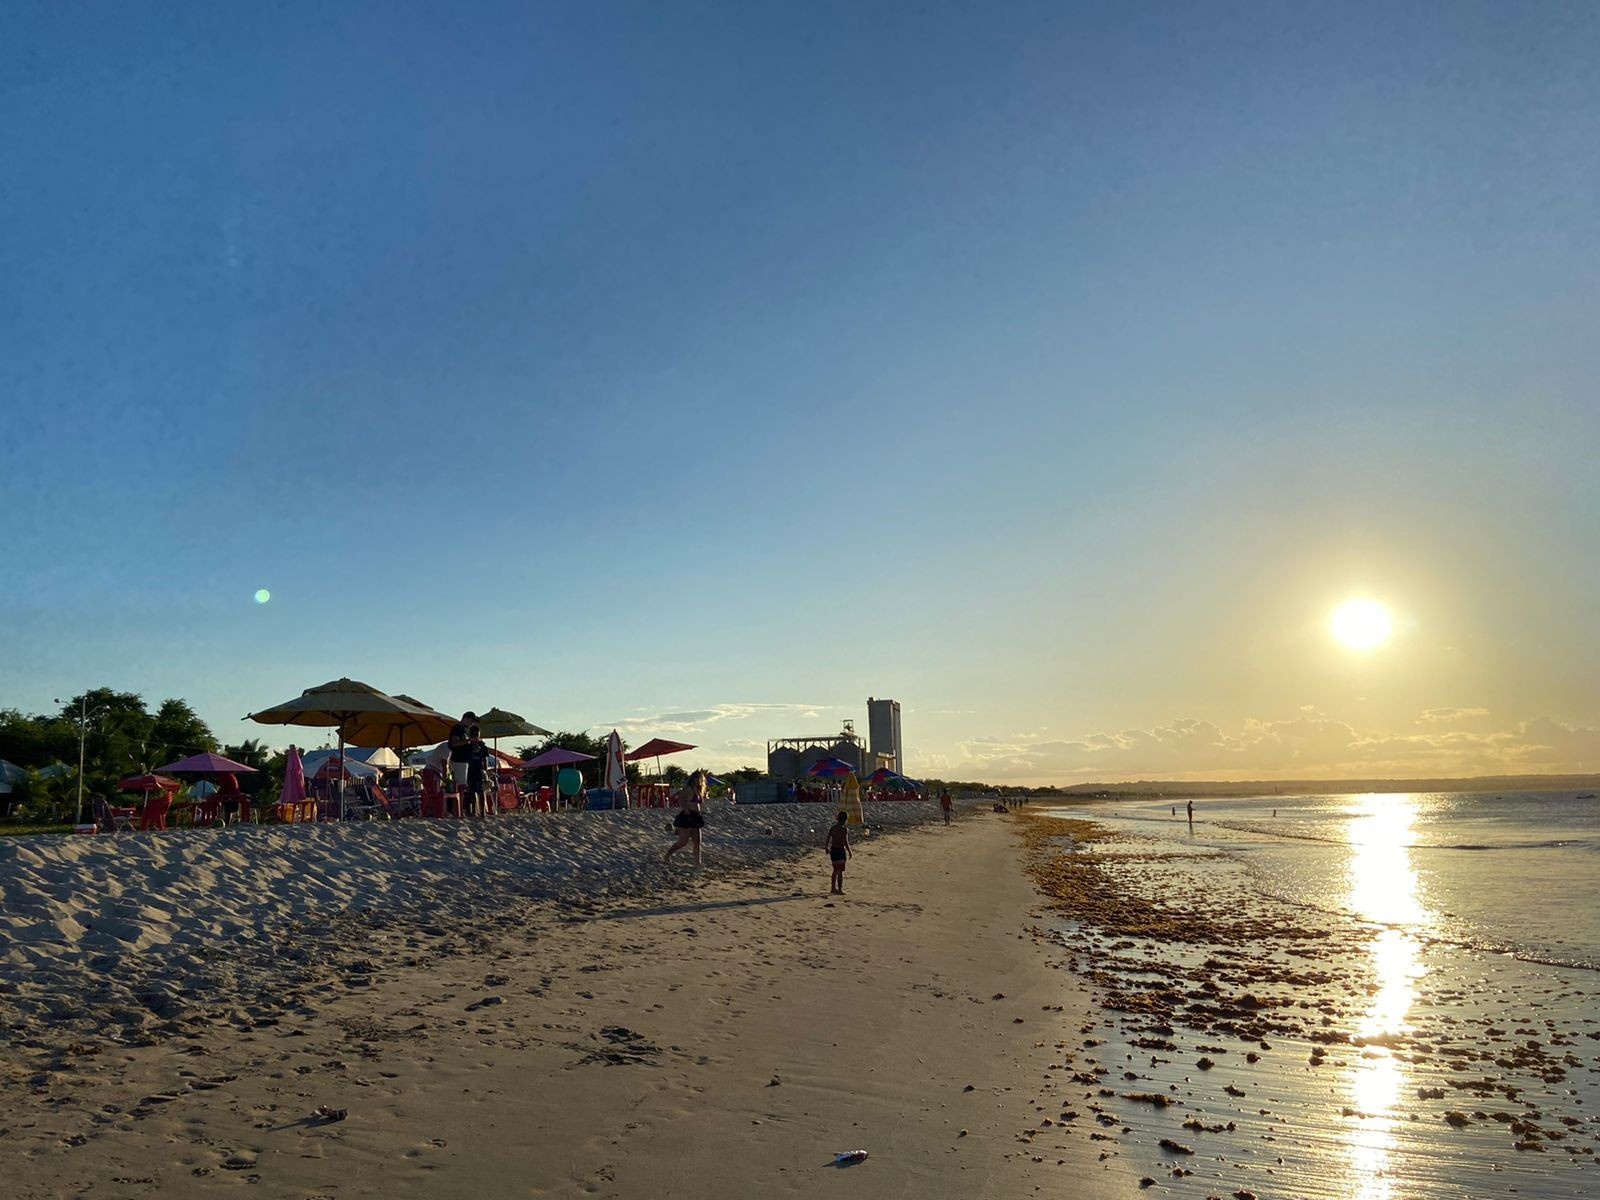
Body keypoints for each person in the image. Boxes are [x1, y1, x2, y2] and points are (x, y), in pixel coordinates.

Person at [448, 712, 478, 811]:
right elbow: (454, 743)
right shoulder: (458, 729)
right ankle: (458, 809)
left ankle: (459, 808)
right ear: (466, 718)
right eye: (471, 721)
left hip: (464, 760)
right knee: (461, 785)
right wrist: (468, 741)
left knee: (462, 785)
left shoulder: (464, 730)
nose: (472, 724)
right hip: (459, 760)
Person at [465, 725, 490, 817]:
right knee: (471, 792)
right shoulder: (468, 746)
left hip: (479, 770)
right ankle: (472, 811)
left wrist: (485, 771)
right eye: (473, 734)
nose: (475, 736)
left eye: (476, 734)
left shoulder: (483, 746)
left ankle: (482, 812)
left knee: (480, 791)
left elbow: (485, 759)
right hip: (470, 770)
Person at [825, 811, 852, 894]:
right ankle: (839, 889)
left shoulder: (832, 828)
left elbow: (828, 838)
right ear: (845, 820)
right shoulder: (844, 830)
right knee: (839, 871)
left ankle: (833, 888)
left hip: (833, 850)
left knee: (835, 870)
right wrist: (850, 851)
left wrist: (826, 847)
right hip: (840, 850)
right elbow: (846, 842)